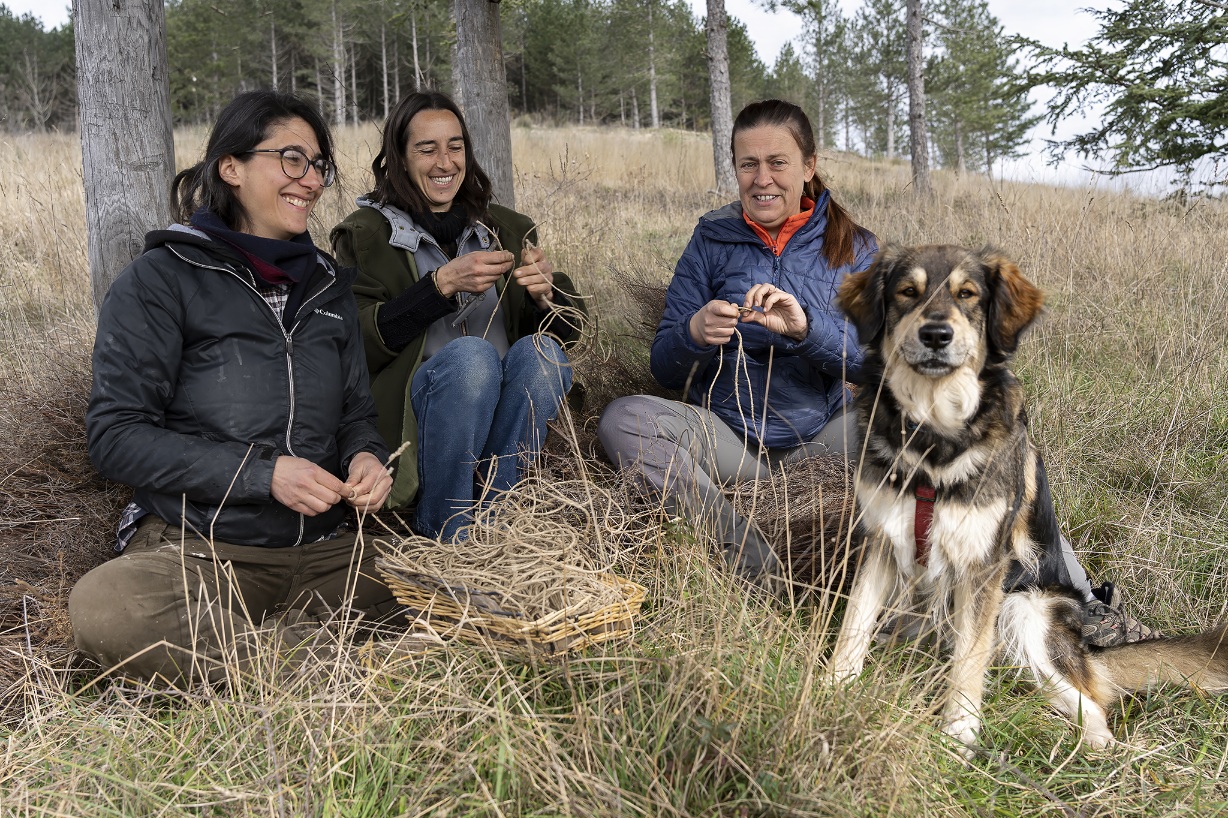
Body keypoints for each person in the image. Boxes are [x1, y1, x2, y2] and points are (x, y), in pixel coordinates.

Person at [598, 99, 1153, 646]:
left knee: (978, 437)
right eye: (748, 164)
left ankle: (1080, 598)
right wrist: (694, 331)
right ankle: (754, 567)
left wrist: (805, 330)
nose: (761, 178)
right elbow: (663, 367)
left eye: (778, 163)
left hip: (831, 433)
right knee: (624, 419)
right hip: (730, 434)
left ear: (809, 167)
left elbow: (885, 366)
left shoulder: (856, 248)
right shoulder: (709, 241)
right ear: (735, 167)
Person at [70, 91, 398, 686]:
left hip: (325, 551)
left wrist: (365, 456)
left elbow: (354, 413)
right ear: (231, 167)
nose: (312, 180)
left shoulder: (328, 289)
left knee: (428, 573)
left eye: (319, 165)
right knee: (105, 606)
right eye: (292, 159)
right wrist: (263, 473)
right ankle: (309, 659)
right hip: (202, 553)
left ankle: (265, 655)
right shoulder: (160, 279)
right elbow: (115, 437)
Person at [330, 91, 585, 543]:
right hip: (420, 421)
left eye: (455, 146)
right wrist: (439, 286)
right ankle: (446, 528)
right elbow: (356, 344)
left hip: (506, 419)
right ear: (399, 159)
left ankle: (496, 523)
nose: (444, 161)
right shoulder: (366, 235)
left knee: (544, 353)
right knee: (471, 358)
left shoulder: (506, 228)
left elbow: (572, 333)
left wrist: (548, 294)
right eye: (426, 149)